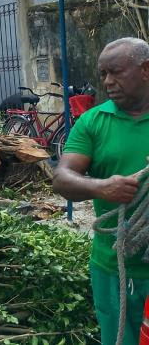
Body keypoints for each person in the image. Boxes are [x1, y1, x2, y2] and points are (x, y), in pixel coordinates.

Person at [53, 37, 149, 344]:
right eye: (103, 73)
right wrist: (101, 187)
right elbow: (62, 178)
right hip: (114, 266)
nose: (107, 81)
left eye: (116, 72)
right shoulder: (93, 121)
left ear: (146, 70)